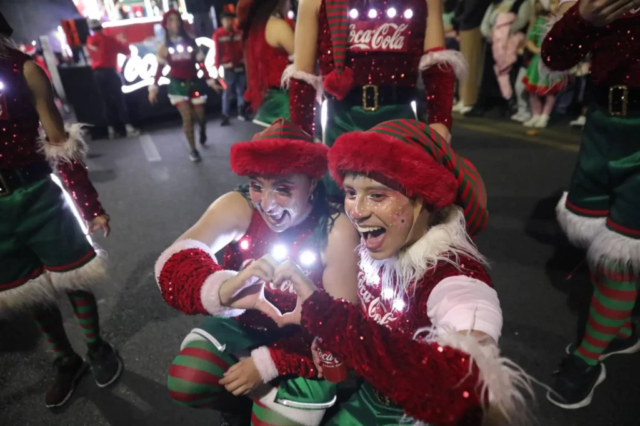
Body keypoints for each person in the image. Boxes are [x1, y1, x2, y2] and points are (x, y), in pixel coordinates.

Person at [261, 118, 532, 426]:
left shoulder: (454, 274)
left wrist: (328, 317)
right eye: (351, 192)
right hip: (371, 396)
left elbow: (465, 377)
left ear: (425, 197)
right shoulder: (381, 242)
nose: (357, 211)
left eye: (377, 195)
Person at [154, 119, 360, 426]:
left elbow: (343, 331)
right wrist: (224, 289)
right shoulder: (239, 205)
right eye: (256, 185)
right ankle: (239, 409)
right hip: (246, 327)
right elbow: (172, 262)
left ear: (313, 182)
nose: (267, 205)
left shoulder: (335, 228)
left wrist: (269, 363)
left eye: (283, 188)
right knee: (188, 379)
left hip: (307, 344)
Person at [0, 13, 122, 409]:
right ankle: (65, 359)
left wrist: (90, 206)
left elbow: (60, 144)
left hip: (36, 193)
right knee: (28, 287)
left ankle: (96, 347)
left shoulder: (26, 71)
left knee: (72, 274)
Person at [541, 0, 640, 409]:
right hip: (603, 123)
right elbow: (554, 57)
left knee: (623, 246)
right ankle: (618, 328)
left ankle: (588, 357)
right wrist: (583, 18)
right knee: (597, 233)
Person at [286, 0, 465, 199]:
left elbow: (437, 63)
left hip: (401, 125)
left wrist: (441, 122)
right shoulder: (314, 2)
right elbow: (302, 79)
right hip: (342, 124)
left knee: (399, 206)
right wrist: (301, 145)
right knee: (339, 205)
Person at [149, 9, 219, 163]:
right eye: (172, 20)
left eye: (178, 19)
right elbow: (159, 69)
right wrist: (153, 88)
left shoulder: (191, 41)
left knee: (200, 116)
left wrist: (211, 81)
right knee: (187, 117)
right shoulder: (163, 47)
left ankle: (202, 129)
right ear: (166, 25)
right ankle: (193, 149)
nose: (176, 23)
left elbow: (201, 64)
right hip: (177, 86)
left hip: (195, 83)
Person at [465, 0, 531, 117]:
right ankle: (484, 103)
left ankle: (504, 105)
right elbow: (485, 23)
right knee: (488, 74)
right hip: (492, 43)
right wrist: (489, 33)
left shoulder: (521, 3)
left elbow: (521, 21)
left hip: (509, 44)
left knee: (505, 75)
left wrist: (501, 33)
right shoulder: (495, 3)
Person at [238, 0, 294, 127]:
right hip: (284, 102)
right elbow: (304, 61)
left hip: (265, 99)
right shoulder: (279, 26)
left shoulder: (254, 29)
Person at [86, 19, 140, 139]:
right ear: (101, 27)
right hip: (110, 72)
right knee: (119, 100)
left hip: (97, 74)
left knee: (106, 102)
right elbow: (127, 51)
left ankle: (112, 130)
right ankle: (128, 128)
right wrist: (123, 40)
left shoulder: (89, 41)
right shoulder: (109, 39)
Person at [521, 0, 565, 128]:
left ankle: (545, 116)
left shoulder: (563, 23)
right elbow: (530, 39)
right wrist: (536, 49)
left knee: (550, 91)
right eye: (552, 3)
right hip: (538, 62)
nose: (555, 6)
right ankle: (536, 114)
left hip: (553, 61)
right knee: (533, 91)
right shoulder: (541, 21)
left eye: (558, 3)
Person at [452, 0, 493, 114]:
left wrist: (457, 19)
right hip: (464, 26)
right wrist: (457, 20)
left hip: (473, 26)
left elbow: (471, 11)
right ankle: (463, 98)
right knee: (463, 65)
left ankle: (469, 100)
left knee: (471, 65)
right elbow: (460, 7)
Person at [213, 11, 246, 126]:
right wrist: (216, 68)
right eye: (226, 20)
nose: (228, 22)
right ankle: (225, 115)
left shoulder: (238, 33)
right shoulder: (219, 34)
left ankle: (241, 111)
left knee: (241, 91)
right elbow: (217, 52)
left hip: (240, 66)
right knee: (227, 92)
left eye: (230, 20)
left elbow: (243, 49)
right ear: (222, 22)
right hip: (228, 69)